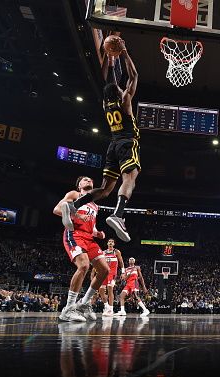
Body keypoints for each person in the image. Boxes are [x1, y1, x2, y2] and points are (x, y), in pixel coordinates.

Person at [60, 42, 140, 242]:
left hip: (112, 146)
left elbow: (108, 83)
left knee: (105, 189)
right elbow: (134, 76)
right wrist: (124, 52)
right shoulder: (125, 102)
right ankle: (118, 215)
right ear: (120, 92)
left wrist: (111, 62)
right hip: (127, 143)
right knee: (130, 178)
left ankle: (73, 206)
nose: (124, 89)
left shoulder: (106, 103)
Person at [54, 176, 110, 322]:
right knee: (84, 266)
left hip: (89, 238)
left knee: (105, 270)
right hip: (75, 234)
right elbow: (57, 209)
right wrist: (75, 214)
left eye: (91, 180)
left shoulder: (94, 205)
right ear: (79, 185)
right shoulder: (74, 195)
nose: (89, 181)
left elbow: (92, 225)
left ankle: (84, 303)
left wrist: (97, 232)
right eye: (85, 180)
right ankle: (68, 309)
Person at [101, 239, 124, 317]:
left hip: (112, 273)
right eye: (109, 241)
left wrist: (123, 272)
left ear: (114, 244)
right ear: (107, 243)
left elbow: (121, 262)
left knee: (110, 289)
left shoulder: (116, 252)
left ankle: (111, 309)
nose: (110, 243)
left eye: (112, 242)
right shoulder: (103, 252)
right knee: (101, 290)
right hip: (104, 273)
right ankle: (106, 306)